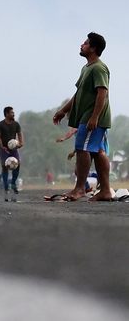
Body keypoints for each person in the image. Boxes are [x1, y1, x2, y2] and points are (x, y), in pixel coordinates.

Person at [53, 32, 112, 201]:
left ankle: (79, 189)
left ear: (93, 48)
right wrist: (63, 110)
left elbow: (103, 93)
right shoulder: (87, 68)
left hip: (93, 116)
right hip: (88, 116)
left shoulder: (99, 68)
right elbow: (79, 93)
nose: (82, 45)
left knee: (82, 148)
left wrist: (94, 117)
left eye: (85, 43)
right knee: (97, 151)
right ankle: (106, 191)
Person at [0, 107, 24, 201]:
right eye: (12, 113)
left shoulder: (16, 124)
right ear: (6, 114)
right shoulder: (0, 125)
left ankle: (13, 183)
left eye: (13, 112)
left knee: (17, 164)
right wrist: (1, 145)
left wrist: (21, 143)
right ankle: (6, 186)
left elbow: (19, 134)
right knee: (5, 166)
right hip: (4, 149)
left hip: (14, 149)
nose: (13, 114)